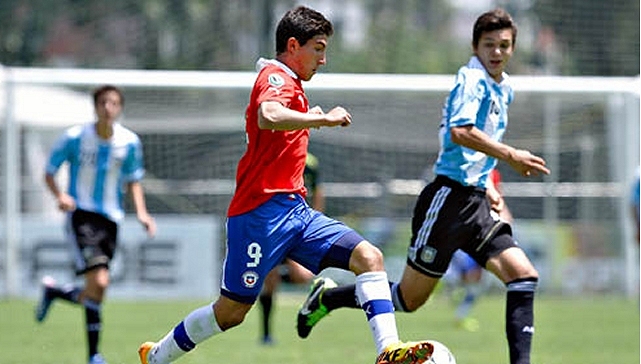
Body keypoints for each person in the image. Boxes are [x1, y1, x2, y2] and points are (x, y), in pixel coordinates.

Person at [137, 6, 431, 364]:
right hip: (259, 215)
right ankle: (157, 356)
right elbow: (268, 114)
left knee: (369, 258)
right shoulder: (275, 77)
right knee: (230, 313)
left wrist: (310, 117)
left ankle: (388, 351)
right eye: (318, 48)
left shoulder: (293, 85)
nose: (323, 60)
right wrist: (320, 119)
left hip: (297, 211)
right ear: (293, 45)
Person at [296, 8, 550, 364]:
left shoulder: (502, 87)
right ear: (475, 46)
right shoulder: (471, 80)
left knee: (523, 276)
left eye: (504, 45)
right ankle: (327, 299)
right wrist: (510, 155)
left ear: (513, 48)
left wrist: (487, 182)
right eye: (488, 44)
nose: (496, 52)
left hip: (476, 202)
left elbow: (482, 138)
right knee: (408, 300)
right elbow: (460, 132)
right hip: (447, 201)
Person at [36, 85, 157, 364]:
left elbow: (133, 180)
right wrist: (60, 195)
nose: (108, 107)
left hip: (111, 219)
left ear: (120, 108)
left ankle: (54, 292)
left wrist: (142, 213)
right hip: (82, 215)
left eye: (113, 103)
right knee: (99, 282)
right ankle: (93, 355)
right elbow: (49, 171)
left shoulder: (128, 142)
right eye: (103, 102)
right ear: (95, 106)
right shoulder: (75, 137)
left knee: (96, 289)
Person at [257, 152, 323, 345]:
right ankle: (266, 334)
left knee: (302, 277)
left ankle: (322, 298)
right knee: (270, 281)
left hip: (298, 227)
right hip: (273, 228)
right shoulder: (273, 158)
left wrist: (316, 220)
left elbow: (318, 190)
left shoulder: (310, 162)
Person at [443, 169, 512, 332]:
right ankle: (452, 289)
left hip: (483, 228)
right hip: (469, 228)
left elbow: (497, 197)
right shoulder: (466, 167)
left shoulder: (493, 172)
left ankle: (460, 309)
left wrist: (506, 215)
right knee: (473, 276)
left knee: (476, 278)